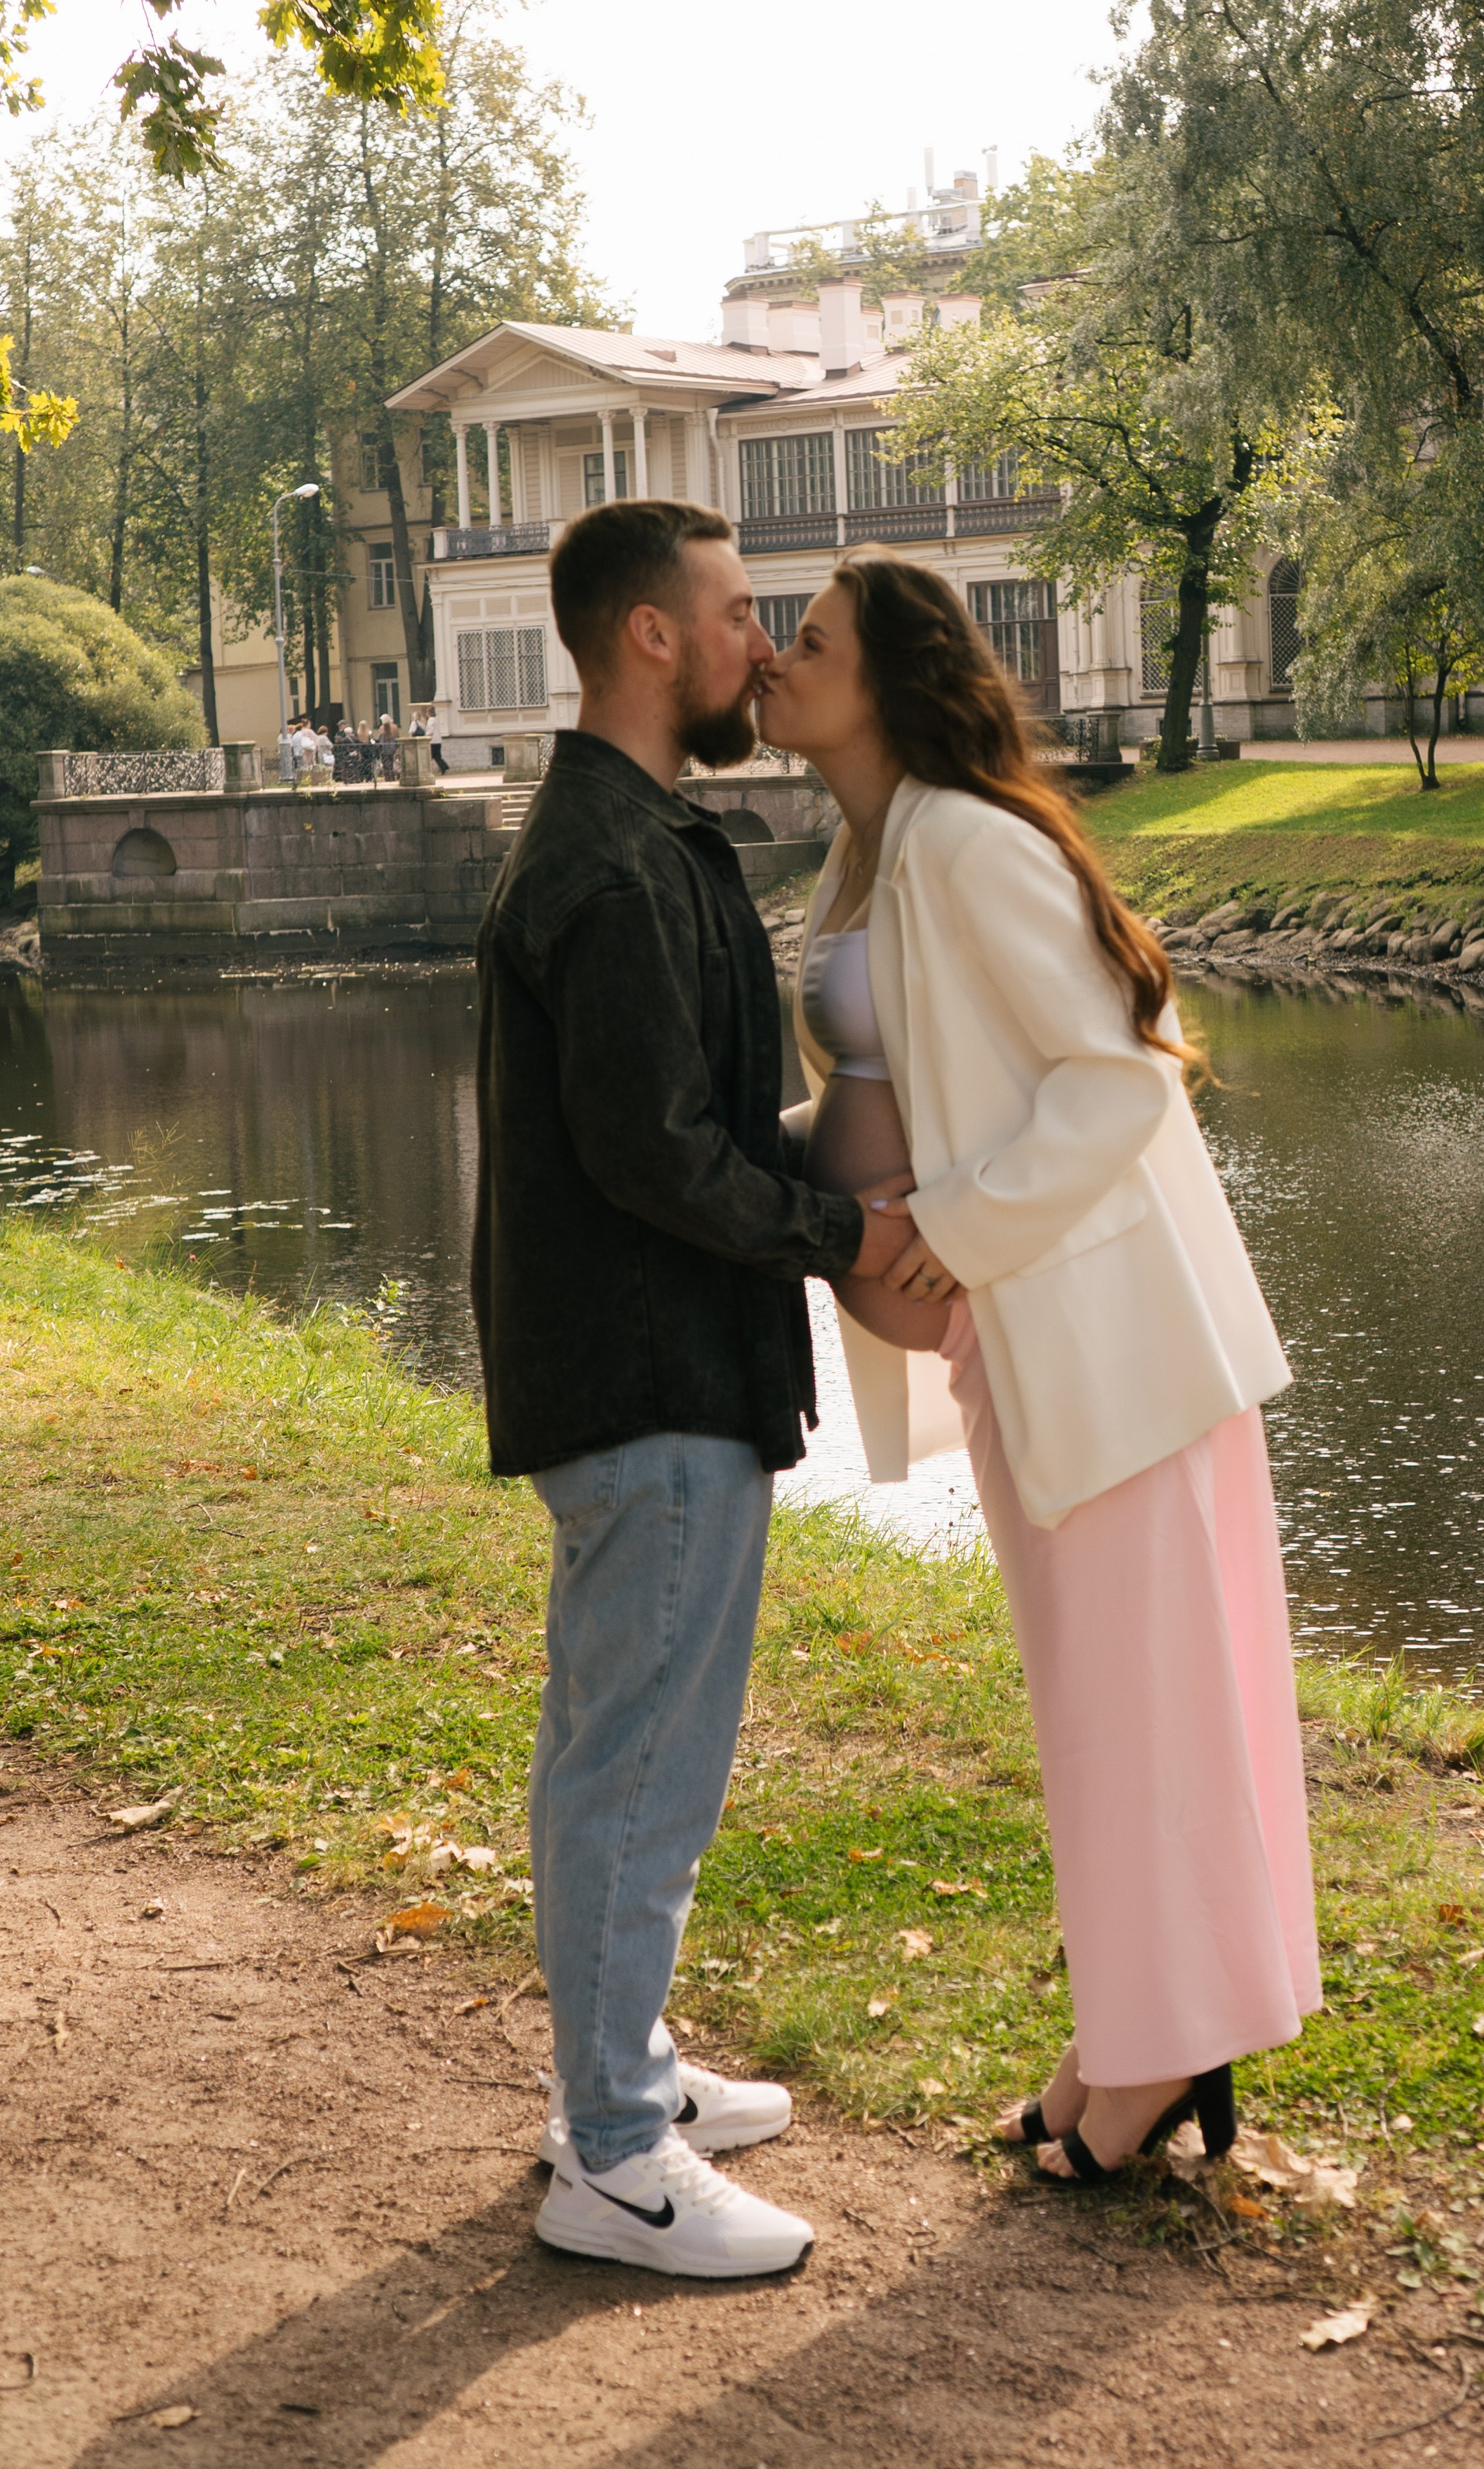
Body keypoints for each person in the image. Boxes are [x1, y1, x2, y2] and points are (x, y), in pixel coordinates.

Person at [757, 553, 1321, 2186]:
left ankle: (1153, 2055)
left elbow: (1115, 1078)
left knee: (1139, 1707)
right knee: (1103, 1709)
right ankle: (1132, 2031)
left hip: (1106, 1342)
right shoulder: (871, 848)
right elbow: (912, 1076)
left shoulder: (966, 839)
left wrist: (954, 1220)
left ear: (890, 677)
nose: (779, 665)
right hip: (1022, 1338)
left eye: (808, 644)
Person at [471, 499, 918, 2278]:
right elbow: (654, 1155)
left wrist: (863, 1170)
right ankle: (609, 2157)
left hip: (657, 1366)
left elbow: (693, 1128)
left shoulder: (639, 832)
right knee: (637, 1771)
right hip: (645, 1378)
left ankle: (625, 2074)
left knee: (621, 1748)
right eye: (738, 613)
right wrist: (839, 1236)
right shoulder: (604, 859)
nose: (759, 643)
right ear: (651, 637)